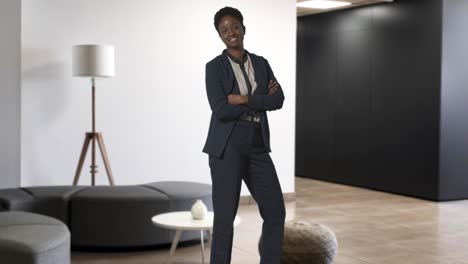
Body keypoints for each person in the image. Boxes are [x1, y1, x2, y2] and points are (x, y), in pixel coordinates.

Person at [202, 6, 286, 264]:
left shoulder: (261, 63)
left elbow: (279, 99)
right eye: (224, 30)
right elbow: (220, 109)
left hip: (258, 142)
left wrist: (243, 98)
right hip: (227, 147)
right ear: (220, 35)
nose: (231, 33)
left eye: (235, 27)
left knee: (275, 212)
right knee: (225, 218)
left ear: (243, 28)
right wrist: (259, 101)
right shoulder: (214, 67)